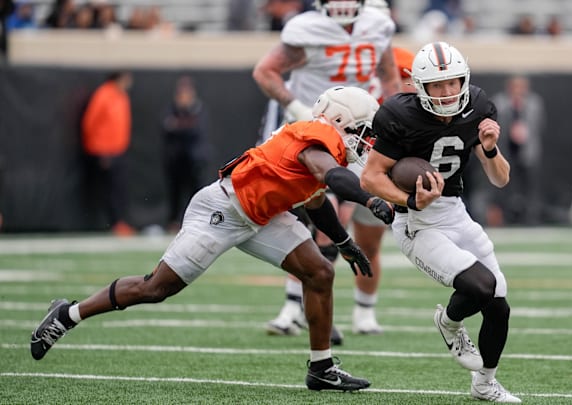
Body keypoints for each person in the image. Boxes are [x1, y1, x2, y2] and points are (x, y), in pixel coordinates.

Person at [29, 85, 394, 392]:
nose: (367, 140)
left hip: (263, 216)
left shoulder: (324, 151)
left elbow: (316, 201)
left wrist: (343, 243)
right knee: (156, 288)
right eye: (363, 129)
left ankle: (321, 368)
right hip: (224, 209)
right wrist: (370, 198)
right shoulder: (316, 138)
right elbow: (328, 176)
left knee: (319, 272)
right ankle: (67, 313)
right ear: (341, 121)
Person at [361, 41, 521, 403]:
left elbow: (501, 179)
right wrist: (410, 199)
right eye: (437, 85)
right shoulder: (398, 115)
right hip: (416, 221)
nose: (447, 92)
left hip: (455, 212)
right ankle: (449, 321)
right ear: (420, 87)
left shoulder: (478, 106)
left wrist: (491, 148)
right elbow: (371, 178)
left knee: (499, 305)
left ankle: (485, 383)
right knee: (481, 286)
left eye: (453, 82)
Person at [252, 0, 401, 340]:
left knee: (370, 236)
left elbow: (390, 77)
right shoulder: (306, 28)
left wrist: (397, 124)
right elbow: (265, 70)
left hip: (365, 136)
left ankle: (364, 310)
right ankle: (296, 307)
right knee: (324, 222)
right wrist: (295, 105)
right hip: (318, 135)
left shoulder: (378, 24)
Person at [81, 70, 135, 237]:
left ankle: (119, 221)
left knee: (119, 188)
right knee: (110, 189)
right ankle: (114, 222)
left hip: (119, 150)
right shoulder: (104, 95)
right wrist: (98, 150)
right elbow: (89, 123)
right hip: (105, 151)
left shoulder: (122, 97)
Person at [487, 74, 545, 226]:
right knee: (503, 184)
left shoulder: (533, 103)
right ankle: (505, 217)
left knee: (530, 186)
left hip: (527, 151)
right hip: (506, 150)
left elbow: (538, 125)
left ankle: (531, 218)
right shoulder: (500, 102)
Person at [161, 76, 210, 233]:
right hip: (176, 159)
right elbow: (167, 127)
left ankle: (197, 221)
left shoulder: (198, 108)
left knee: (195, 192)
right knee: (175, 193)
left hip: (194, 160)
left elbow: (196, 130)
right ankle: (174, 222)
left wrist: (179, 125)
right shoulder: (172, 108)